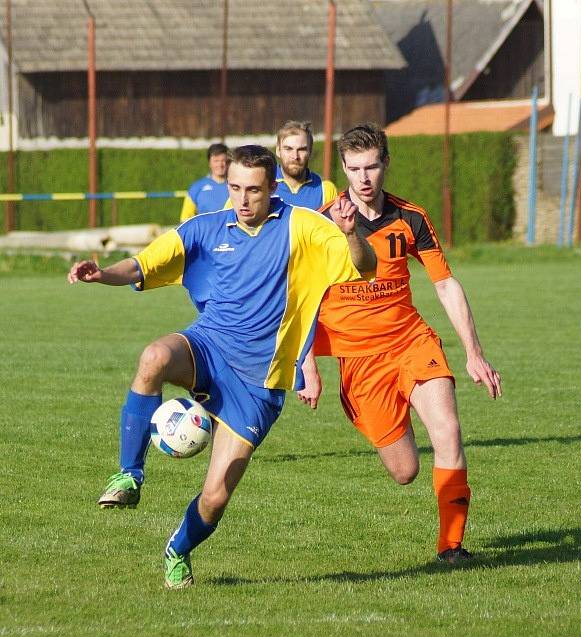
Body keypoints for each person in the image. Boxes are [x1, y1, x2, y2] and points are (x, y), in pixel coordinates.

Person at [68, 145, 375, 589]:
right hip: (208, 346)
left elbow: (365, 267)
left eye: (253, 190)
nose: (243, 199)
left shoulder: (304, 227)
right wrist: (101, 274)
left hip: (258, 384)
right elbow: (143, 264)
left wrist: (349, 234)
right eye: (234, 188)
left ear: (273, 187)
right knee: (153, 357)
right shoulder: (206, 228)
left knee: (215, 497)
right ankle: (129, 475)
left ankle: (178, 549)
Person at [300, 123, 502, 564]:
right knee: (405, 470)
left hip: (412, 342)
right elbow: (302, 296)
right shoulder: (320, 225)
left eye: (371, 166)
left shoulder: (411, 217)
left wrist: (474, 353)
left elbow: (445, 284)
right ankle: (394, 423)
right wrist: (308, 364)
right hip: (359, 361)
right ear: (344, 169)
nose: (364, 178)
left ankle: (451, 546)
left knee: (448, 430)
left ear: (385, 163)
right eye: (354, 169)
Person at [275, 120, 337, 209]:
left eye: (301, 150)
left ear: (310, 152)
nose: (295, 156)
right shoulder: (263, 185)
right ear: (278, 151)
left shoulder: (325, 190)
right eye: (288, 149)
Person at [179, 142, 230, 221]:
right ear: (209, 163)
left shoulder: (236, 186)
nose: (220, 165)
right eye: (216, 161)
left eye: (223, 160)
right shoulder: (196, 187)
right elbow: (185, 219)